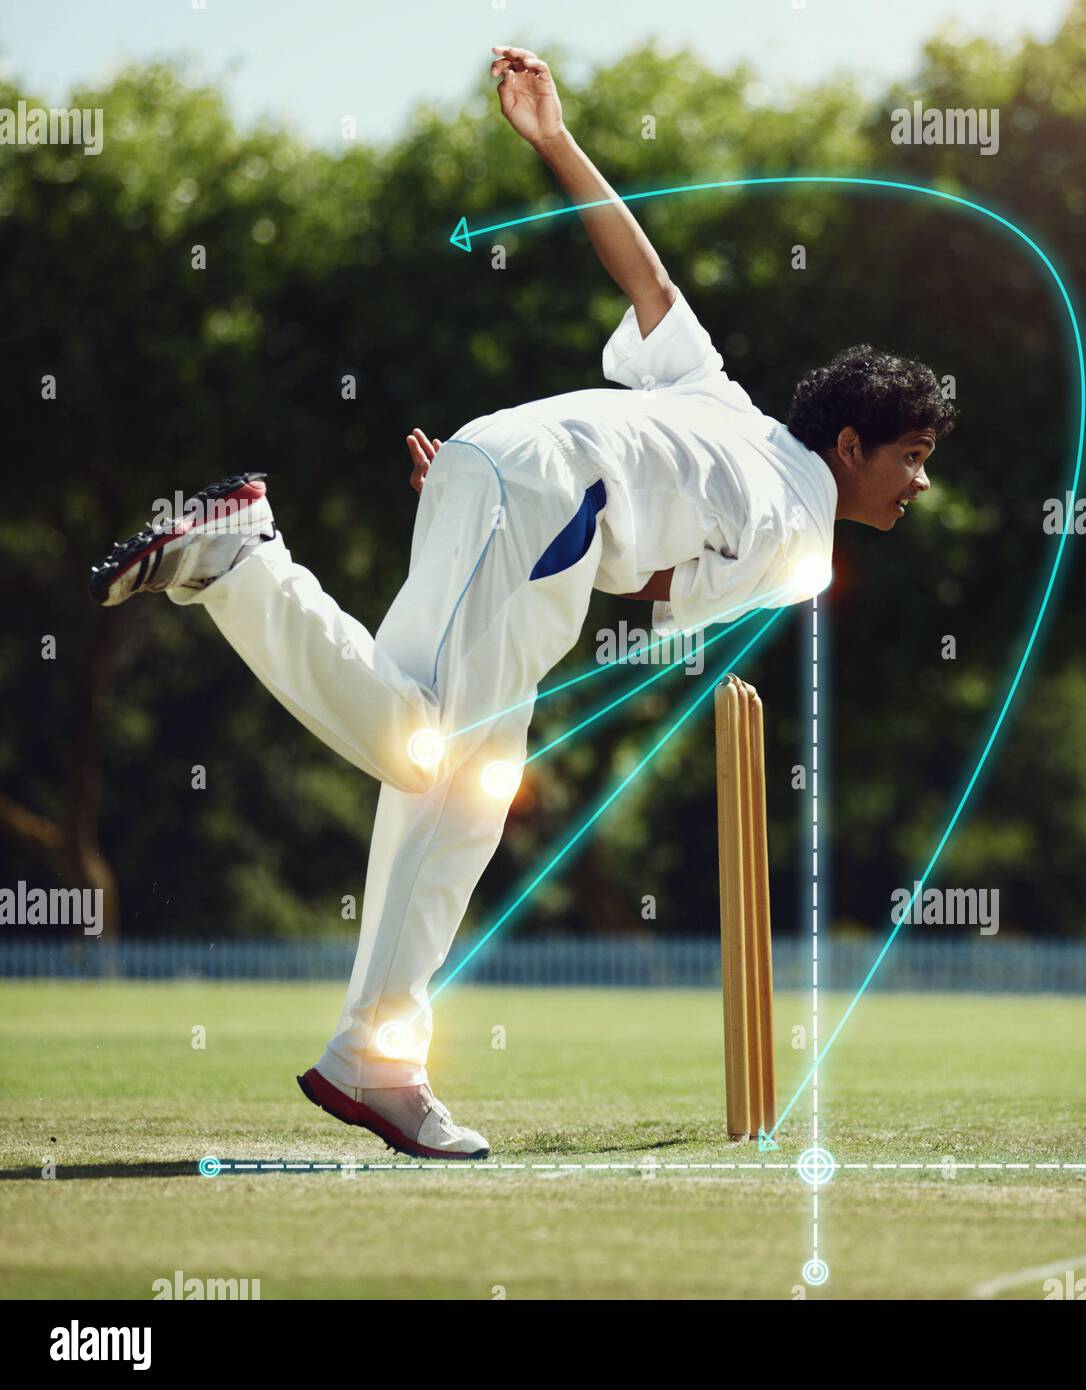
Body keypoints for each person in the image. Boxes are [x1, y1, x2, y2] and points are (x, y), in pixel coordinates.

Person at [88, 47, 955, 1160]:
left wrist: (553, 139)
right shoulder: (803, 541)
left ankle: (375, 1055)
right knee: (453, 775)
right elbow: (644, 584)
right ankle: (242, 558)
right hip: (547, 507)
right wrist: (512, 517)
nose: (920, 483)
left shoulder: (725, 402)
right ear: (850, 445)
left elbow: (644, 277)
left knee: (432, 768)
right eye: (914, 456)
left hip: (498, 460)